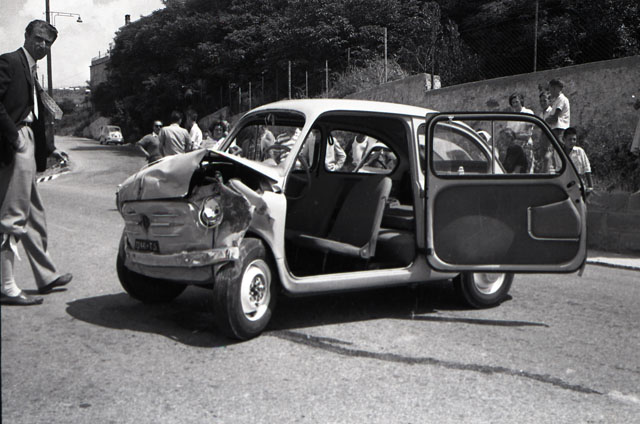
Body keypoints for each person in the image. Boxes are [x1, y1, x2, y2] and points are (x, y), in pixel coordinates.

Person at [0, 20, 73, 305]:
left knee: (34, 214)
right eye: (38, 38)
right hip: (16, 140)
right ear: (27, 36)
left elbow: (36, 113)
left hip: (28, 141)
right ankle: (7, 287)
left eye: (48, 43)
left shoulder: (31, 71)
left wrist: (49, 148)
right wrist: (14, 137)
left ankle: (46, 276)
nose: (42, 45)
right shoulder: (9, 62)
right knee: (13, 215)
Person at [506, 92, 535, 172]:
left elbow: (528, 134)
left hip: (526, 147)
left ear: (521, 101)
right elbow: (508, 133)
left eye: (516, 102)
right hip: (514, 148)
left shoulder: (528, 113)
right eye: (513, 103)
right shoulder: (511, 117)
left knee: (526, 171)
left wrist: (515, 135)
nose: (515, 104)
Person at [545, 79, 571, 143]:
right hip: (556, 129)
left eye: (550, 89)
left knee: (559, 145)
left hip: (560, 129)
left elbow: (555, 117)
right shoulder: (557, 100)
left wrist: (547, 120)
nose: (550, 91)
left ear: (554, 88)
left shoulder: (561, 99)